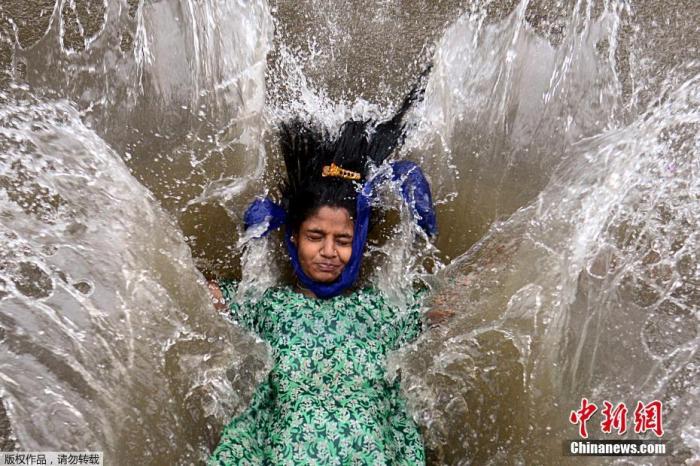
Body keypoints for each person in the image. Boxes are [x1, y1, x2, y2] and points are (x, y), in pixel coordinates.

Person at [207, 70, 451, 465]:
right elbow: (182, 291)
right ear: (293, 238)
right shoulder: (265, 303)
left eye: (342, 240)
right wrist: (252, 240)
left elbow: (473, 302)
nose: (328, 252)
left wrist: (424, 233)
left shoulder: (387, 306)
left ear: (358, 244)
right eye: (315, 236)